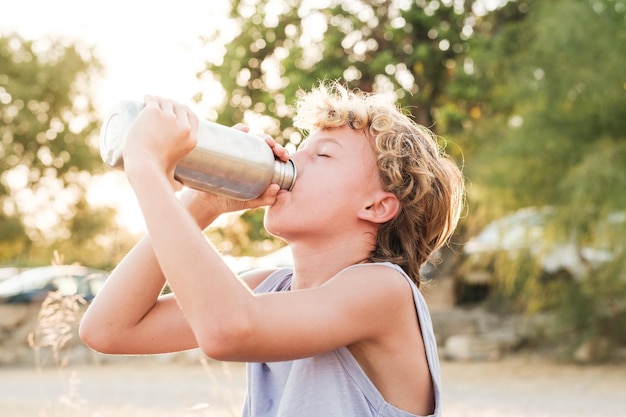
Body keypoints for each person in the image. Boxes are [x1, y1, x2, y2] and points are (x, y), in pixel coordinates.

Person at [79, 81, 465, 417]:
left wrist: (146, 167)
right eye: (299, 148)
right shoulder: (268, 288)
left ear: (376, 206)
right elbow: (108, 329)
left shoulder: (384, 291)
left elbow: (228, 330)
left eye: (322, 155)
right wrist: (201, 205)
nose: (289, 157)